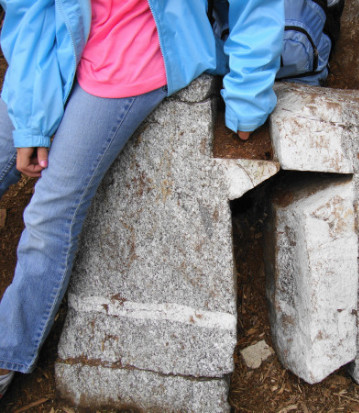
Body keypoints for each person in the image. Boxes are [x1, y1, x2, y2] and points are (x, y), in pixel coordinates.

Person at [0, 0, 283, 399]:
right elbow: (27, 8)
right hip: (52, 41)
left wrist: (247, 99)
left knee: (51, 213)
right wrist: (31, 115)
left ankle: (6, 353)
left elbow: (254, 6)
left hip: (132, 50)